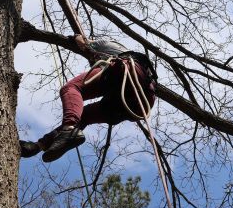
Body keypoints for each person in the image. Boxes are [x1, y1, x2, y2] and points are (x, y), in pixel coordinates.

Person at [20, 34, 157, 162]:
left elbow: (83, 42)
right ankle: (40, 145)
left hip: (125, 72)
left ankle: (68, 128)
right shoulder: (141, 65)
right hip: (142, 102)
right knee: (83, 116)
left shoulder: (105, 43)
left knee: (71, 88)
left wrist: (77, 37)